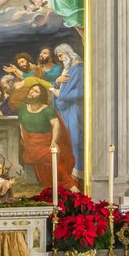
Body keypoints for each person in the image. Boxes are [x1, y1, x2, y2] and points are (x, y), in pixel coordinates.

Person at [16, 81, 75, 188]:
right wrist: (24, 139)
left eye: (36, 91)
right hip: (29, 143)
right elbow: (21, 125)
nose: (31, 92)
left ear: (41, 95)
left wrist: (54, 141)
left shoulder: (47, 110)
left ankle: (70, 184)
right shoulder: (23, 108)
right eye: (31, 89)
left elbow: (56, 125)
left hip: (44, 142)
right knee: (40, 155)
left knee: (50, 156)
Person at [52, 43, 84, 183]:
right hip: (64, 110)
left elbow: (82, 91)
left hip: (74, 109)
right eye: (58, 57)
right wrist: (56, 82)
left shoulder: (79, 68)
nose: (60, 59)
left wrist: (62, 95)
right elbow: (58, 88)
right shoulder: (67, 69)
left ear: (68, 53)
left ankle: (78, 172)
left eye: (61, 55)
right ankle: (70, 173)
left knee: (75, 140)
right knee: (66, 141)